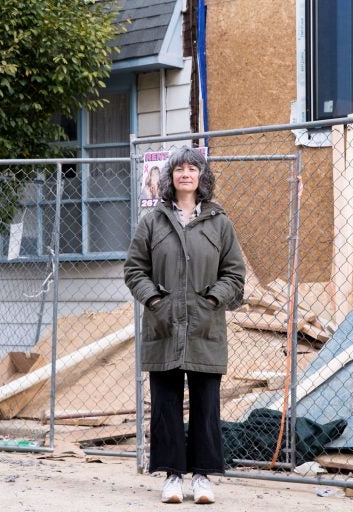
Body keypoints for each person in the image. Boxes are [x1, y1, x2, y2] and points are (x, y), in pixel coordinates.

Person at [124, 147, 245, 504]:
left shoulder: (219, 222)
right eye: (179, 169)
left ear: (202, 177)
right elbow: (134, 269)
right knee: (166, 403)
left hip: (205, 328)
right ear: (170, 178)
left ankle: (203, 478)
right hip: (163, 326)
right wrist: (156, 301)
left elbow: (234, 273)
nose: (186, 174)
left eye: (193, 168)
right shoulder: (152, 221)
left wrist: (211, 300)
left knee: (207, 405)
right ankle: (173, 476)